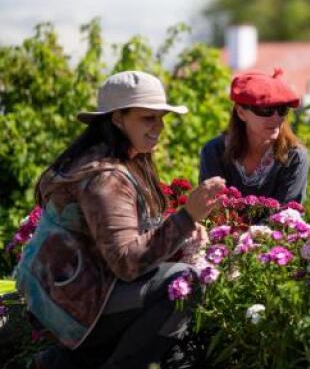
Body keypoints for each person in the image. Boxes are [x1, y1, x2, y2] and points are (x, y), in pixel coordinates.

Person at [15, 71, 226, 368]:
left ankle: (62, 363)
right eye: (147, 118)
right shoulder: (105, 177)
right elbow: (127, 263)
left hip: (74, 296)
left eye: (161, 118)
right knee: (183, 282)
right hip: (72, 307)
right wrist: (187, 217)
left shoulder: (117, 160)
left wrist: (182, 229)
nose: (159, 127)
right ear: (117, 119)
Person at [199, 68, 309, 203]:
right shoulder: (214, 151)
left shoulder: (295, 157)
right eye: (265, 109)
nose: (276, 118)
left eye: (282, 109)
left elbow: (288, 215)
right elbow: (210, 209)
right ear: (241, 113)